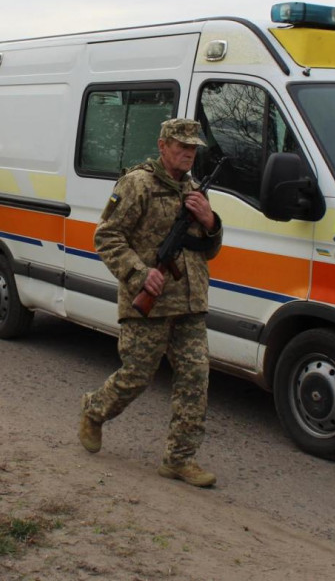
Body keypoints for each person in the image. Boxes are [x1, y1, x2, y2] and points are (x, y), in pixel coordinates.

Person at [78, 118, 223, 488]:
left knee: (196, 378)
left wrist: (211, 222)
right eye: (181, 146)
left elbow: (209, 249)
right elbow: (106, 237)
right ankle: (95, 410)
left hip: (190, 302)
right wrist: (140, 275)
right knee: (137, 375)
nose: (188, 152)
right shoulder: (137, 184)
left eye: (193, 148)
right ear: (162, 146)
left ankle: (179, 459)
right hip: (150, 302)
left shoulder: (194, 190)